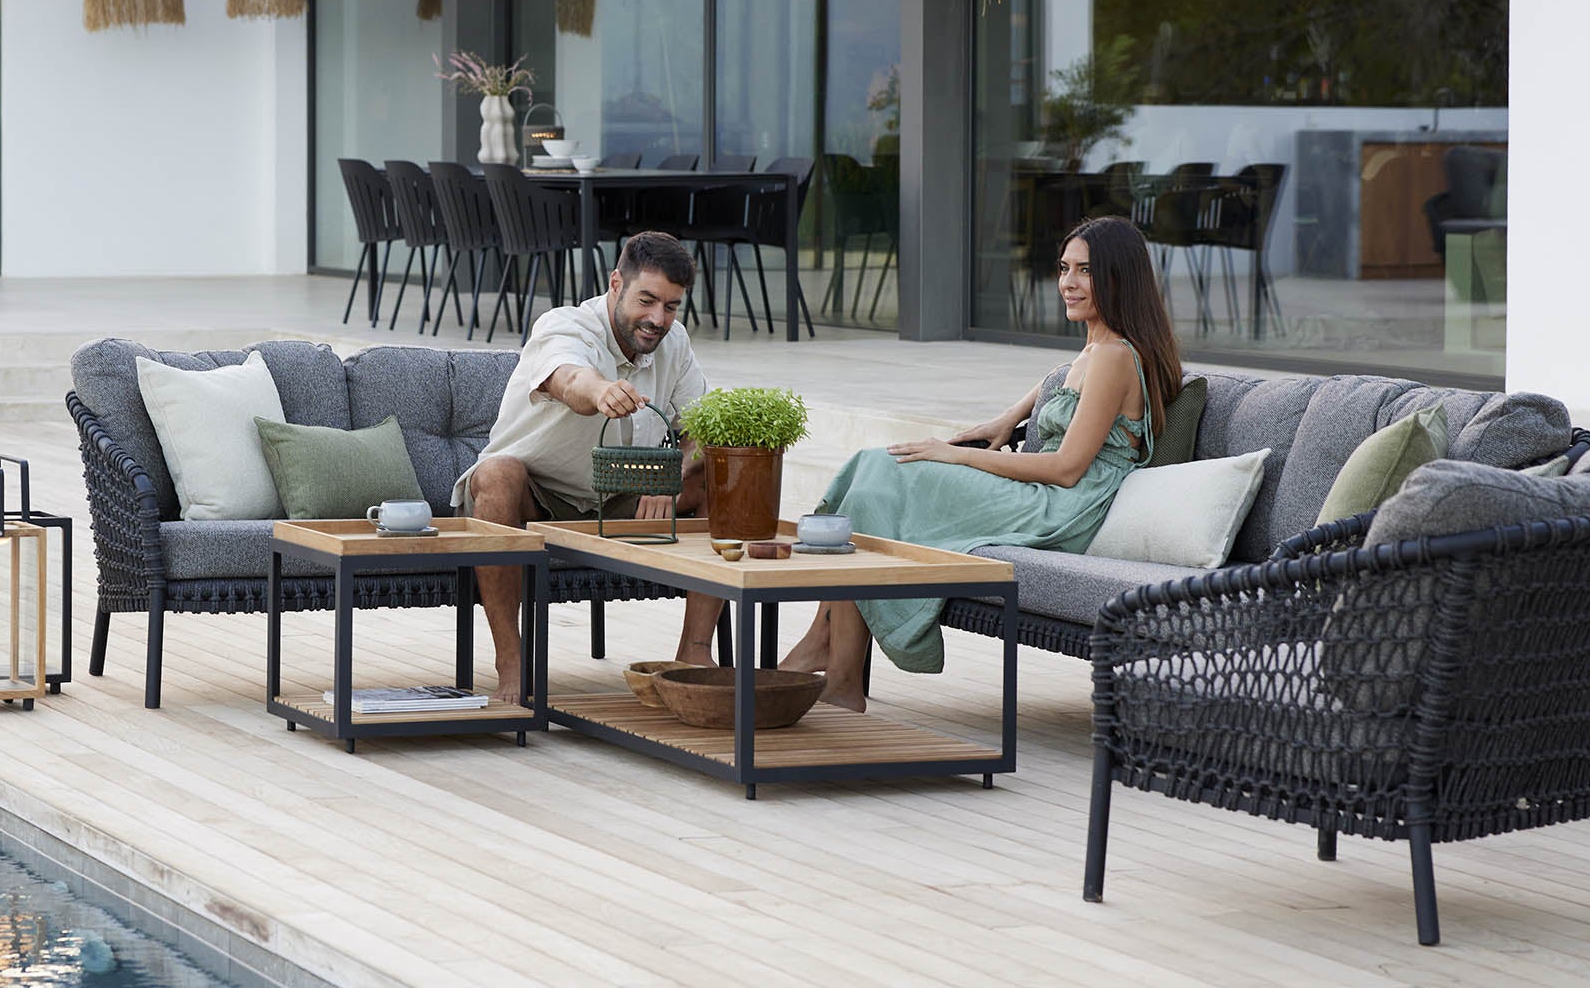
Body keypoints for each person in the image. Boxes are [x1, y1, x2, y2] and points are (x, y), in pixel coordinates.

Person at [782, 215, 1183, 711]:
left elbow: (1065, 469)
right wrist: (1011, 415)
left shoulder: (1115, 355)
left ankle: (836, 662)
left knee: (887, 472)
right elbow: (1059, 383)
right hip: (1049, 494)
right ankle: (831, 653)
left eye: (1085, 271)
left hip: (1063, 506)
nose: (1068, 283)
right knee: (873, 466)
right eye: (1063, 269)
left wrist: (955, 455)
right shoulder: (1095, 347)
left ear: (1120, 276)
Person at [454, 230, 722, 701]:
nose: (658, 319)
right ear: (616, 284)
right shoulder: (565, 325)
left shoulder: (673, 342)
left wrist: (670, 473)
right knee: (496, 474)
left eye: (672, 306)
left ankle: (694, 655)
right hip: (536, 497)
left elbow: (704, 425)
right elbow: (569, 377)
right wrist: (600, 391)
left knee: (725, 468)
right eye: (647, 300)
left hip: (621, 495)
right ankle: (511, 664)